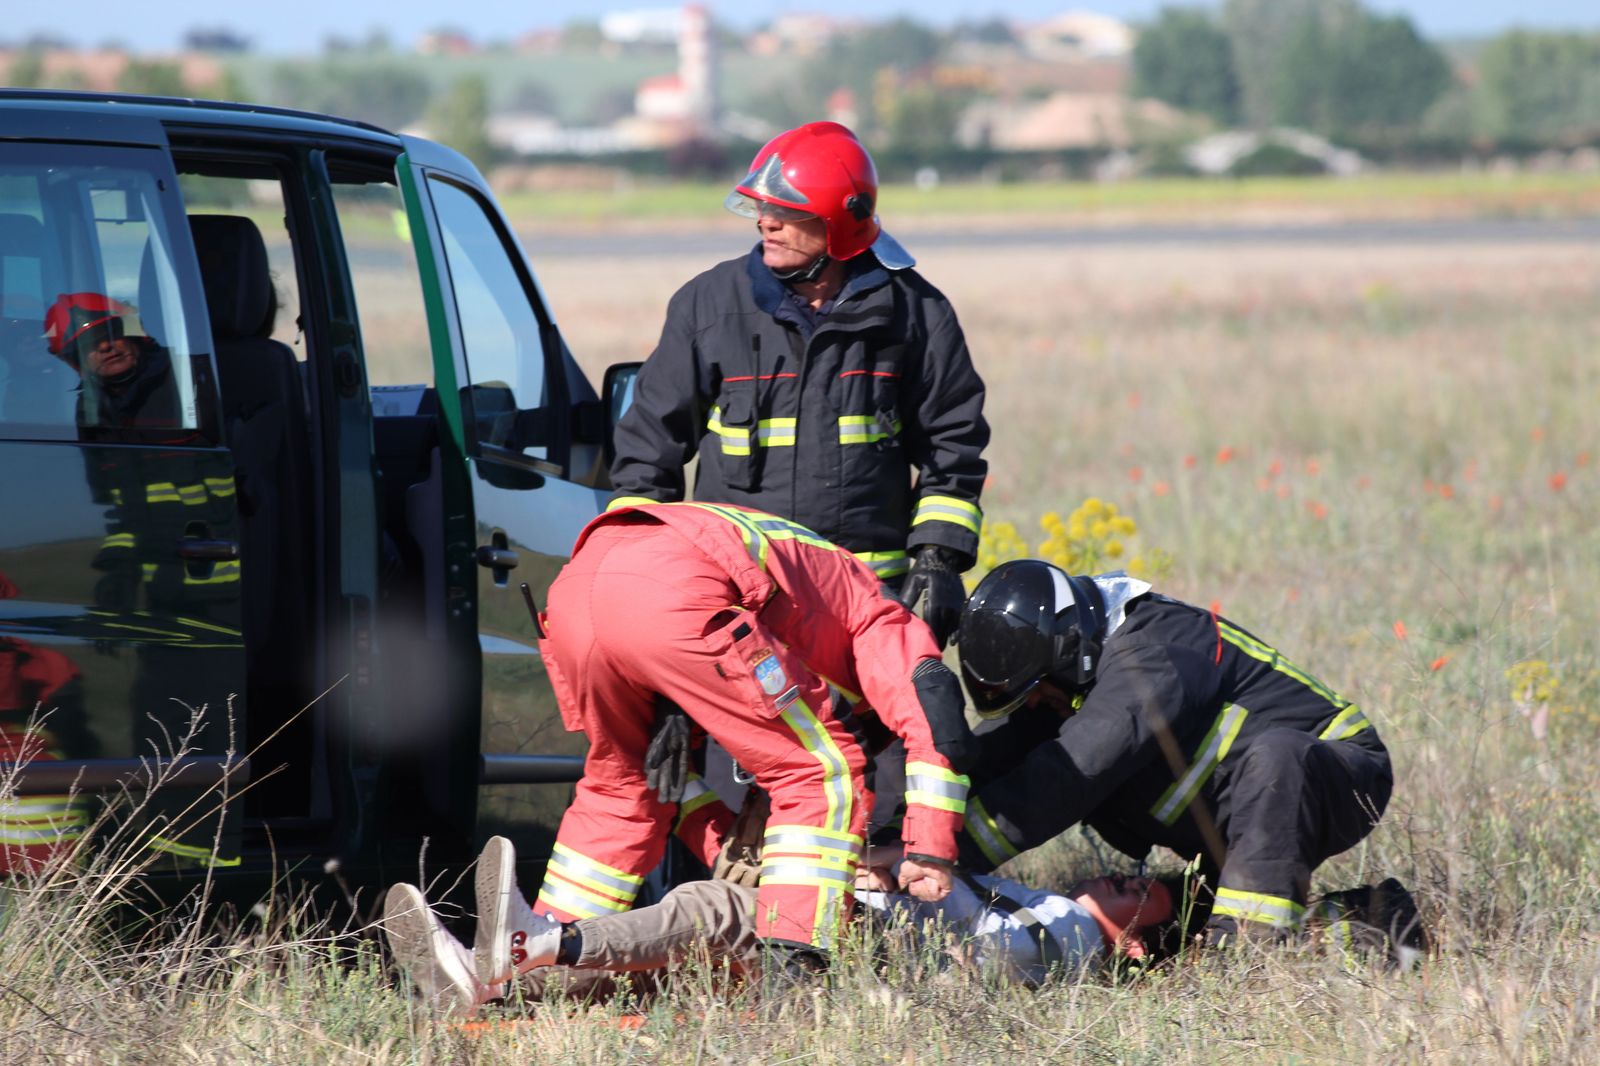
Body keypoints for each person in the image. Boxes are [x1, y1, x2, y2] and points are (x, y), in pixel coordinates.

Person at [478, 501, 978, 993]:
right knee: (819, 770)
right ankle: (796, 977)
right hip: (676, 589)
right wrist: (930, 850)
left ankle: (533, 962)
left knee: (621, 787)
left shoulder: (814, 592)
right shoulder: (882, 621)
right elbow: (936, 721)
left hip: (577, 592)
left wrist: (674, 703)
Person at [608, 121, 988, 646]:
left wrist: (939, 556)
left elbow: (955, 446)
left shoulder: (916, 314)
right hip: (738, 613)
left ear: (839, 221)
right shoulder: (708, 307)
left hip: (865, 613)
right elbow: (648, 454)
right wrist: (652, 594)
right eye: (763, 208)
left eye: (787, 211)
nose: (767, 222)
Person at [952, 561, 1394, 947]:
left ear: (1070, 651)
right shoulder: (1068, 675)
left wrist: (949, 853)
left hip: (1337, 774)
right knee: (1173, 925)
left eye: (1036, 690)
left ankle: (1248, 956)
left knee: (1276, 755)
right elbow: (992, 747)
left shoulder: (1153, 651)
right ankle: (1376, 922)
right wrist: (907, 831)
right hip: (1237, 807)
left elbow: (1075, 769)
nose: (1033, 702)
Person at [380, 836, 1179, 1016]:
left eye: (1149, 895)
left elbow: (991, 952)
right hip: (878, 944)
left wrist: (915, 888)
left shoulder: (1069, 942)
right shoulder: (1050, 907)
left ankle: (526, 947)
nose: (1136, 879)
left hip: (874, 972)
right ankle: (478, 980)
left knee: (714, 910)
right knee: (665, 965)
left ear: (1135, 945)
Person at [43, 292, 183, 432]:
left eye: (111, 333)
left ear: (133, 335)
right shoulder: (89, 410)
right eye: (88, 345)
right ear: (77, 361)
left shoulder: (186, 376)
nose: (105, 347)